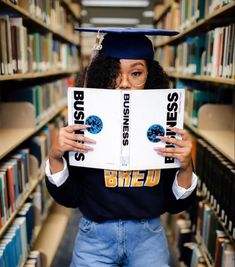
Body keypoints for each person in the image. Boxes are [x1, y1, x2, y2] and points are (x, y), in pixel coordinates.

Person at [45, 28, 197, 267]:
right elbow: (70, 197)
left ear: (150, 77)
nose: (124, 84)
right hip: (94, 237)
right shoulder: (85, 121)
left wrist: (185, 167)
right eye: (114, 73)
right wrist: (55, 157)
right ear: (102, 76)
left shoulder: (164, 125)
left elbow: (175, 204)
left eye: (136, 73)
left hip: (148, 238)